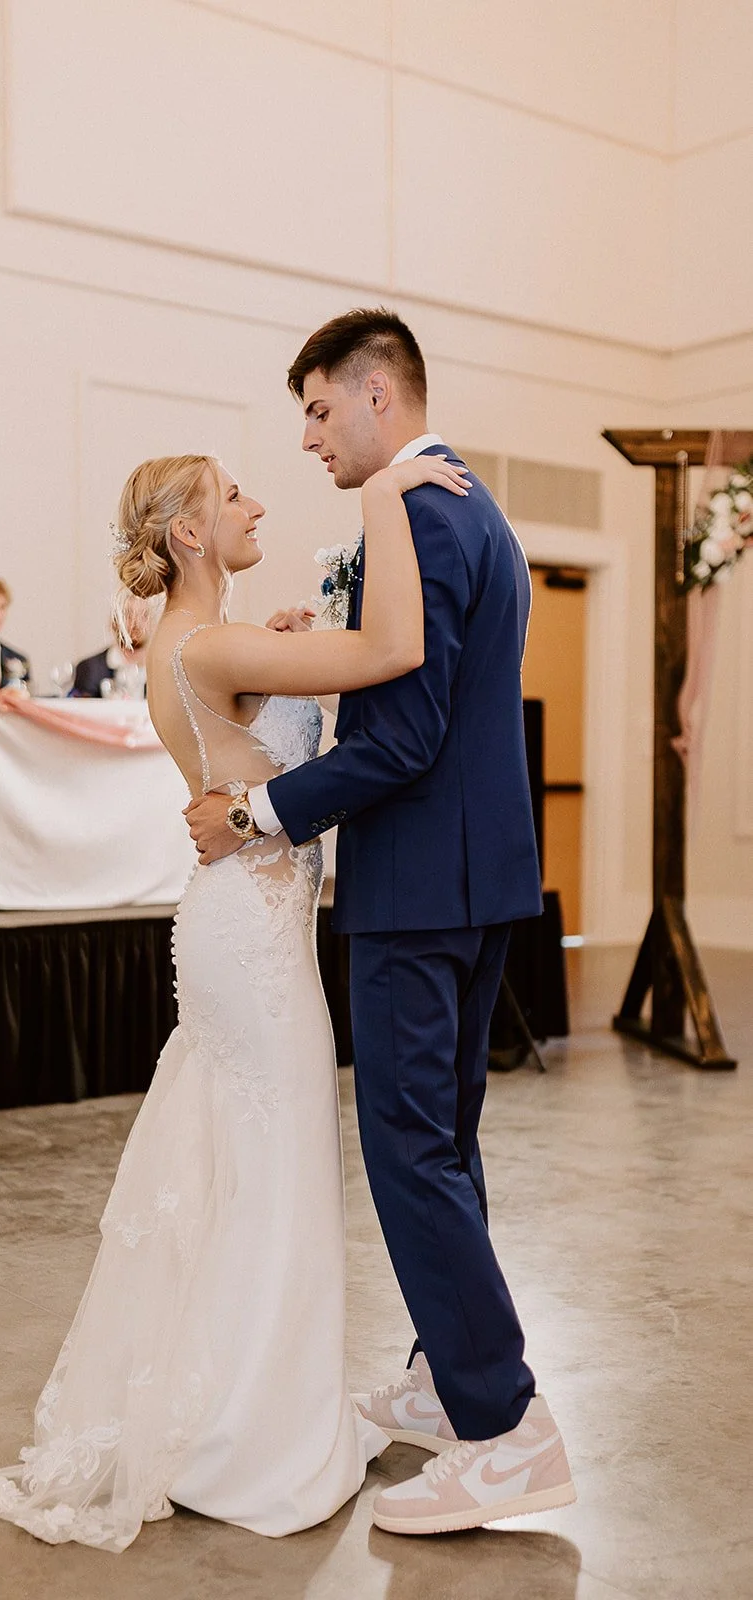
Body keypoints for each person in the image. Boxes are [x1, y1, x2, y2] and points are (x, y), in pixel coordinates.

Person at [0, 445, 472, 1552]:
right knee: (275, 1169)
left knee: (246, 1173)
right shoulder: (209, 641)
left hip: (239, 926)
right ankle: (255, 1439)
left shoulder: (191, 642)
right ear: (191, 534)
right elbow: (393, 649)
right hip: (248, 938)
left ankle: (229, 1413)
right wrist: (386, 489)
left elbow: (259, 738)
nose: (256, 504)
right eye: (234, 496)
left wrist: (284, 648)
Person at [186, 308, 576, 1537]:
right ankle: (436, 1378)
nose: (306, 438)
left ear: (373, 395)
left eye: (314, 409)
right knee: (442, 1145)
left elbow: (401, 736)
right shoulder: (475, 500)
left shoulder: (404, 503)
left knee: (407, 1148)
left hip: (416, 886)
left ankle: (508, 1429)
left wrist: (258, 811)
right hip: (486, 874)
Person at [71, 595, 152, 696]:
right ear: (114, 622)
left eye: (144, 616)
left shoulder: (161, 672)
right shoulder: (90, 669)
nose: (136, 622)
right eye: (128, 615)